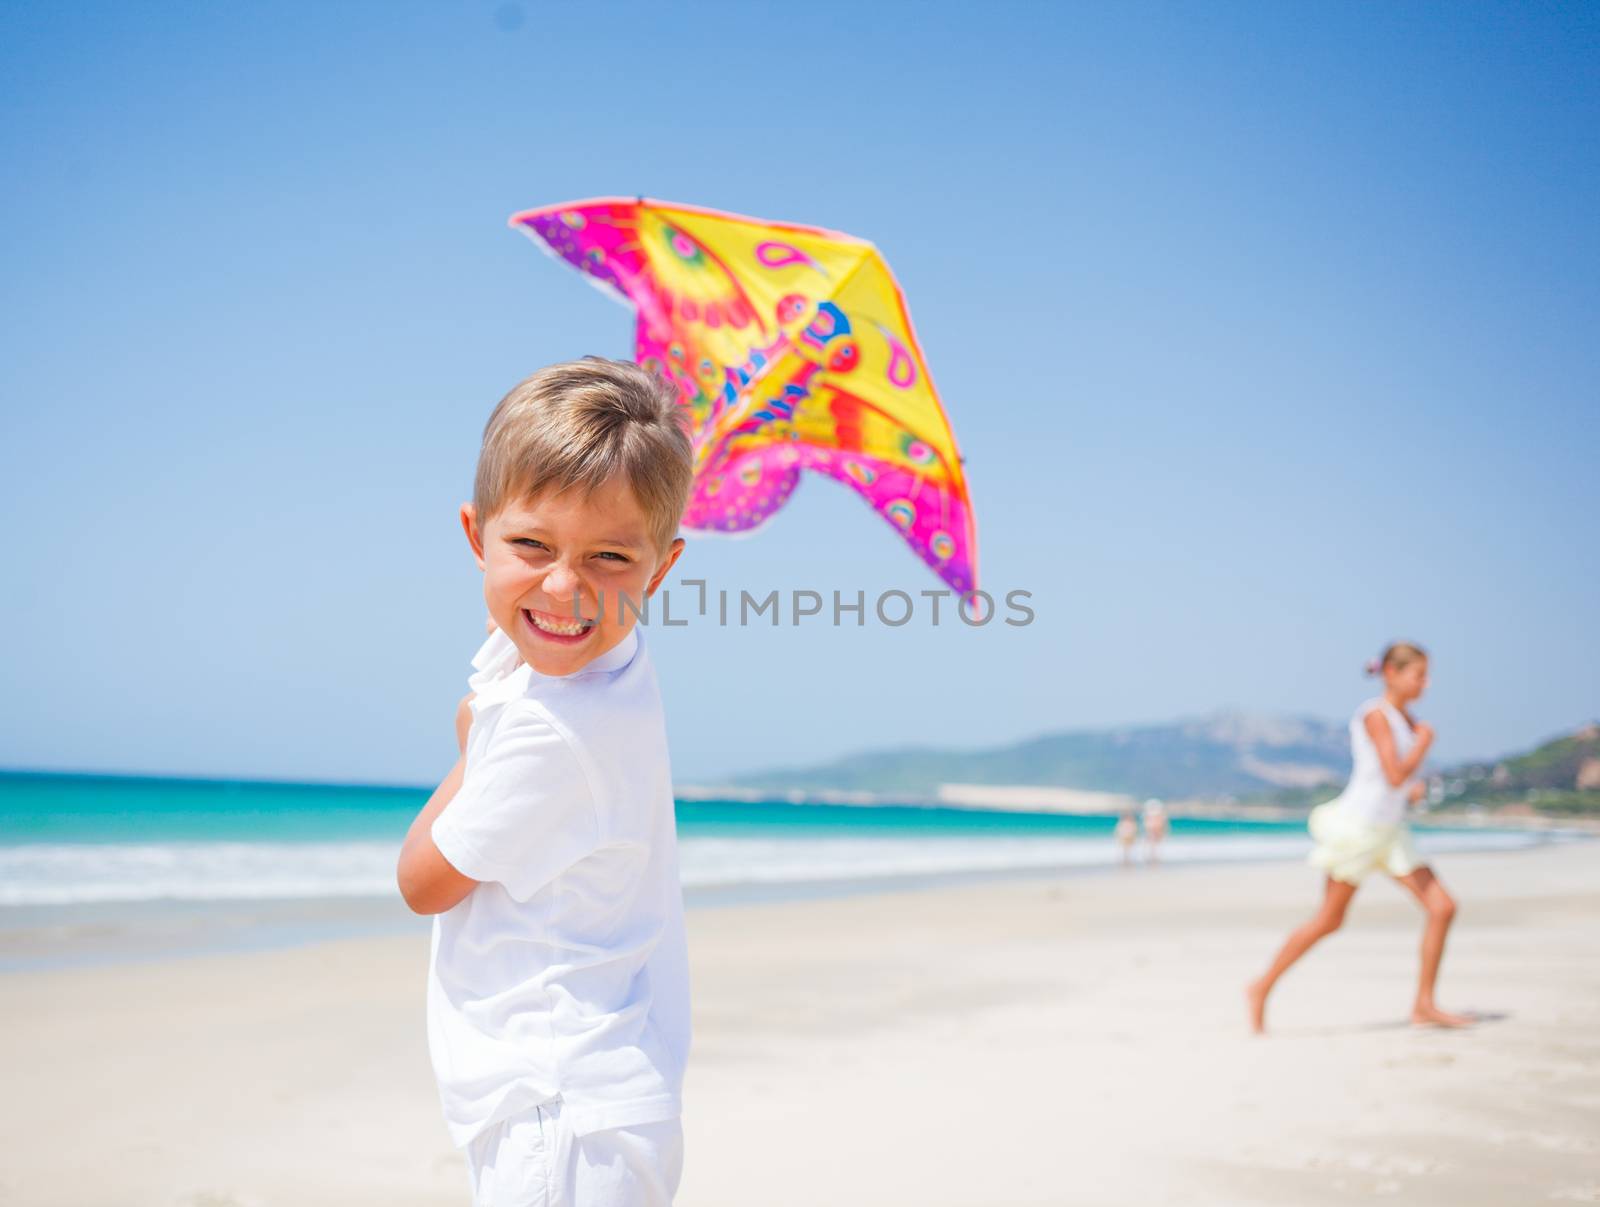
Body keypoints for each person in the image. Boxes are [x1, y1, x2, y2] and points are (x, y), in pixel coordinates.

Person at [396, 357, 695, 1205]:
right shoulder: (605, 660)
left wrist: (468, 751)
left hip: (556, 1115)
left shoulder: (550, 729)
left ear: (660, 569)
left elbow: (423, 881)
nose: (564, 587)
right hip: (597, 1096)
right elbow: (541, 640)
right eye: (532, 545)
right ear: (474, 534)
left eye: (609, 556)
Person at [1246, 642, 1471, 1034]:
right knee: (1330, 920)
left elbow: (1399, 783)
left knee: (1442, 907)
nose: (1425, 684)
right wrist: (1422, 746)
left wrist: (1413, 782)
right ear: (1391, 673)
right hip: (1359, 830)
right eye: (1419, 675)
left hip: (1390, 832)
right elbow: (1394, 774)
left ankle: (1424, 1004)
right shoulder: (1376, 716)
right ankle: (1261, 986)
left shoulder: (1407, 720)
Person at [1141, 798, 1169, 865]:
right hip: (1153, 829)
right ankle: (1152, 857)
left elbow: (1163, 823)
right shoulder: (1156, 815)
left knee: (1153, 844)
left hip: (1154, 829)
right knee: (1153, 844)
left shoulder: (1154, 816)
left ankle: (1153, 857)